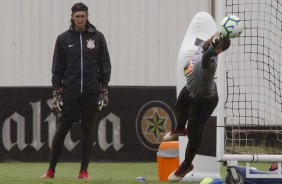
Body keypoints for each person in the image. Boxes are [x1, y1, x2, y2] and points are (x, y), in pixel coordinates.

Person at [40, 2, 111, 179]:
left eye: (83, 16)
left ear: (87, 17)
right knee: (62, 129)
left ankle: (84, 172)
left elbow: (105, 66)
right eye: (77, 16)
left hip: (91, 92)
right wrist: (56, 92)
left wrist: (104, 89)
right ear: (72, 17)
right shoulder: (63, 39)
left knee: (88, 131)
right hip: (69, 92)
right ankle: (50, 171)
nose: (80, 19)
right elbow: (57, 68)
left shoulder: (97, 38)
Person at [163, 32, 230, 182]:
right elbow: (201, 48)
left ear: (218, 50)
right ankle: (180, 128)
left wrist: (213, 47)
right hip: (191, 89)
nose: (211, 39)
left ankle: (186, 165)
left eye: (215, 41)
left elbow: (206, 57)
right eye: (213, 36)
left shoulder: (212, 60)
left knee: (194, 134)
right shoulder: (203, 45)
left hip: (204, 100)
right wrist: (212, 41)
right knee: (179, 105)